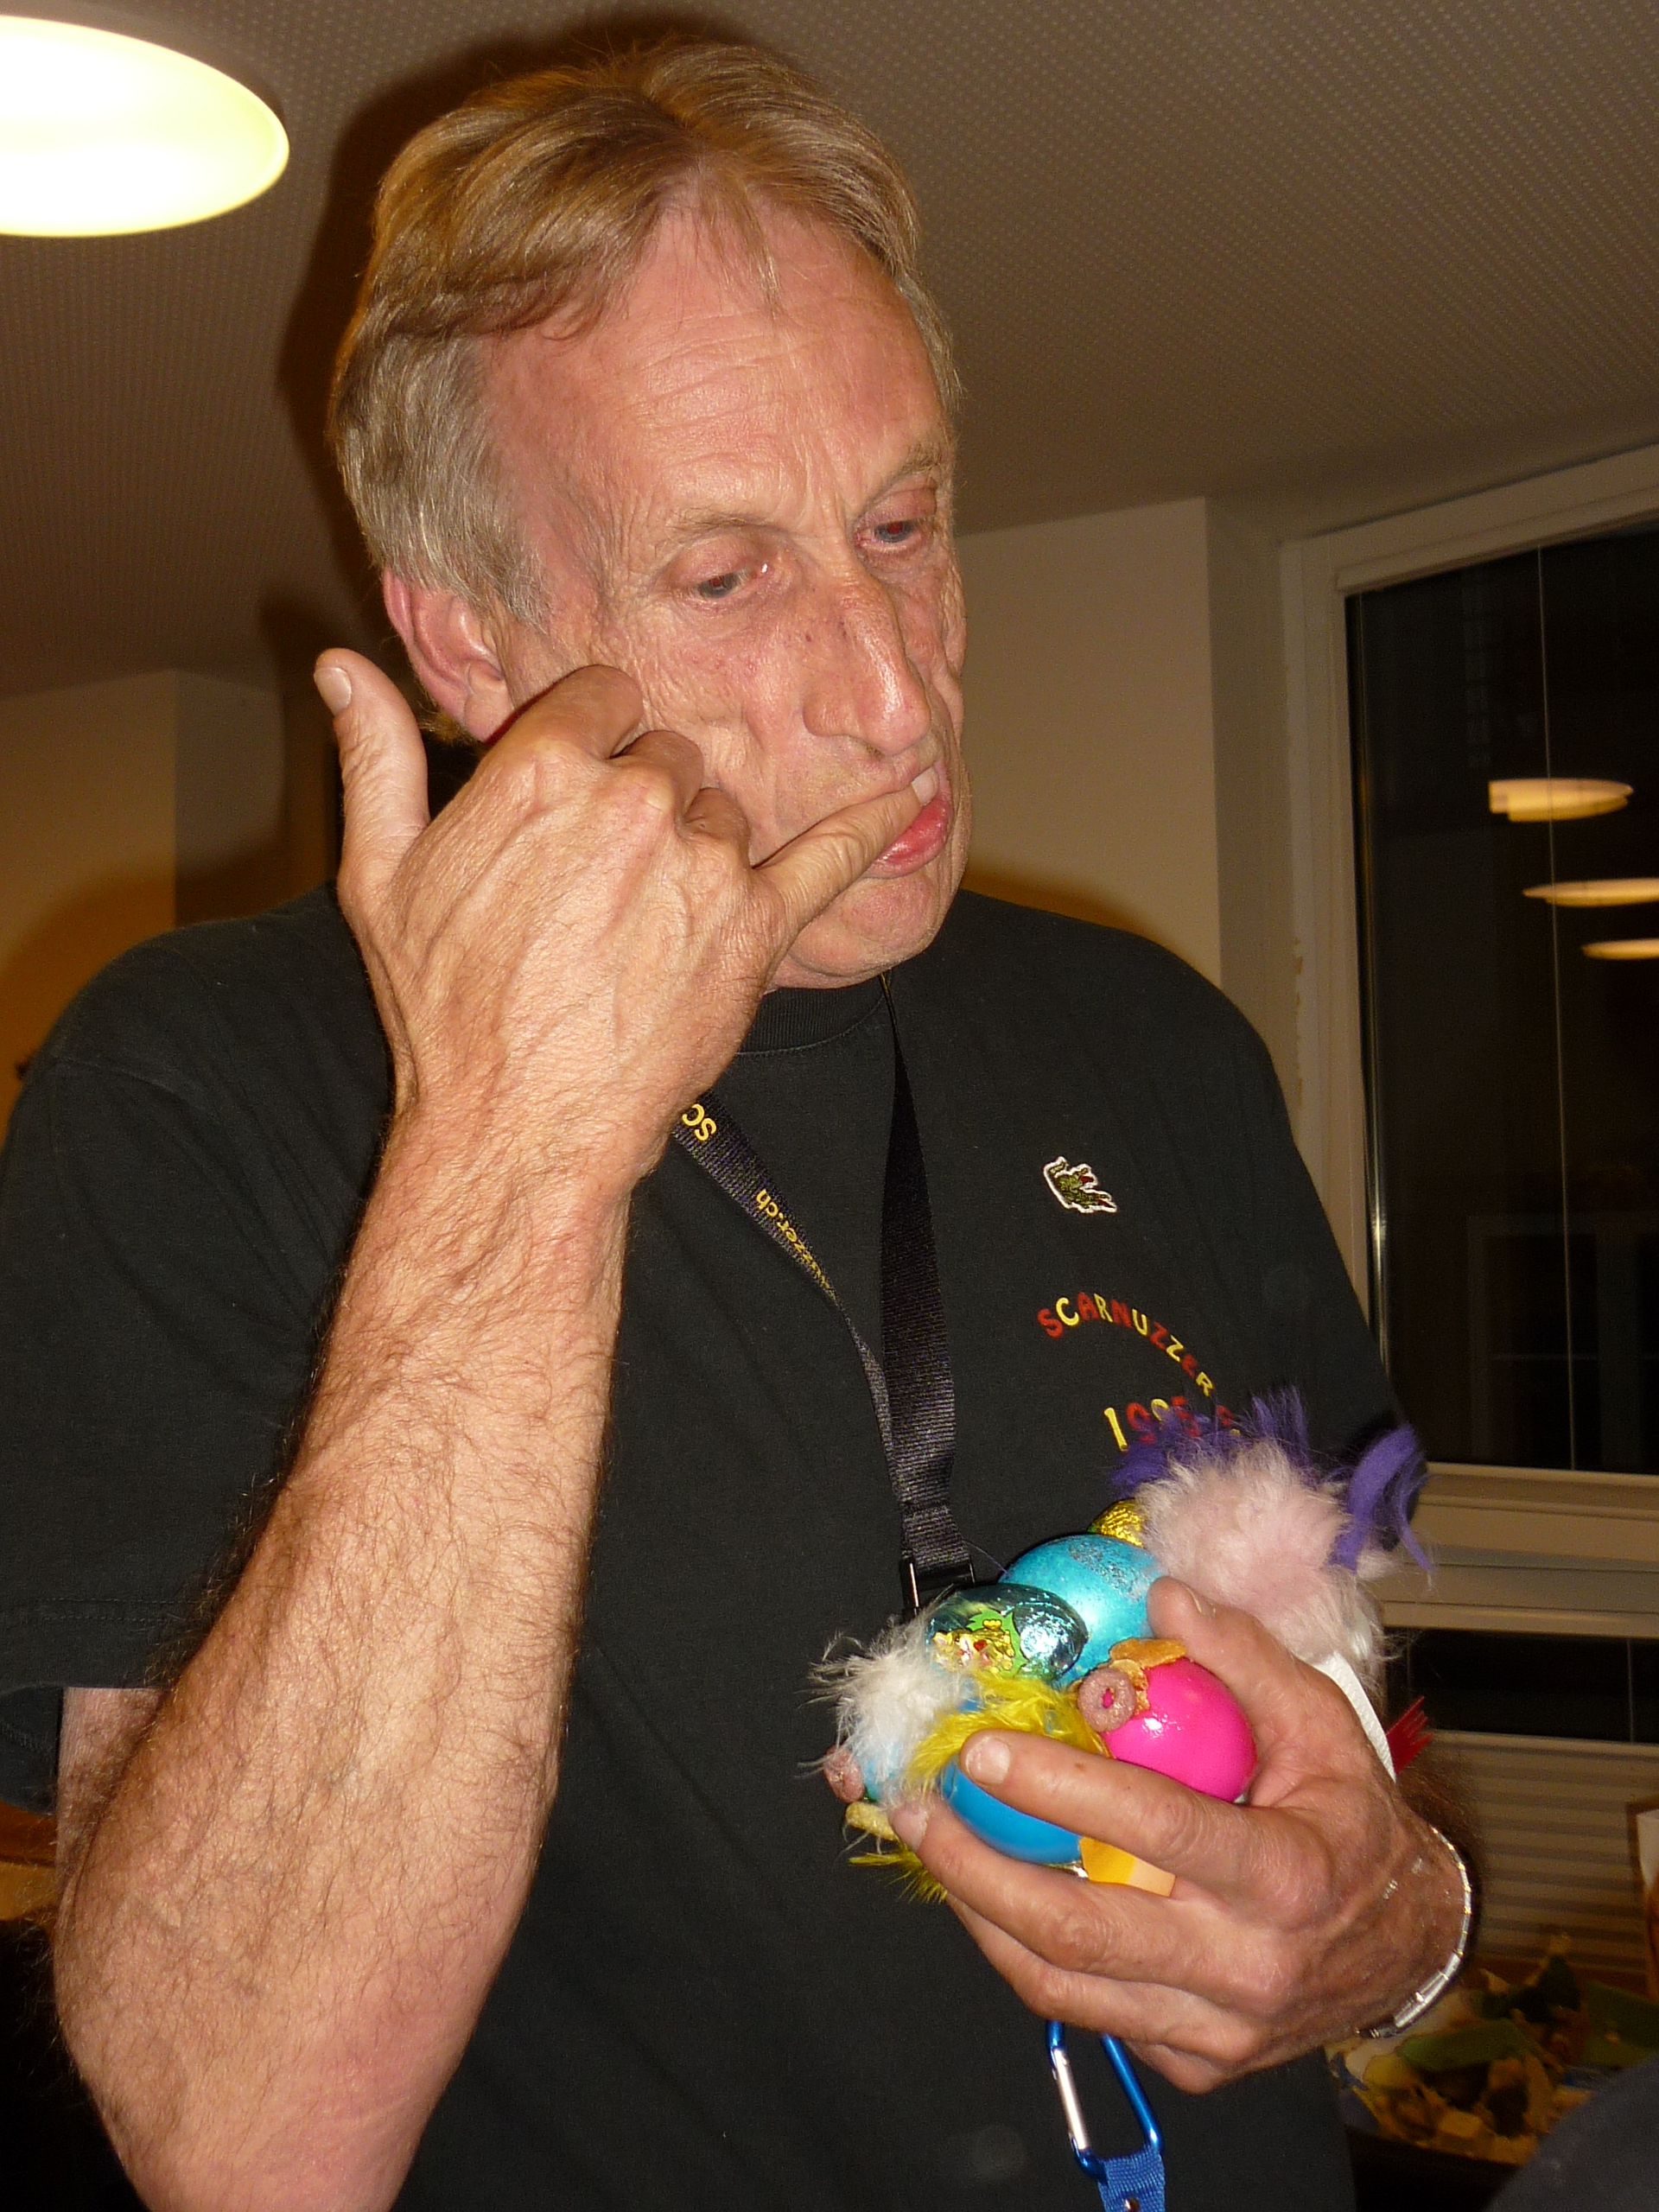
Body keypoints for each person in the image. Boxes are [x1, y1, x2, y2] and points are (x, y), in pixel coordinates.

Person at [0, 35, 1465, 2212]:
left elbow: (1384, 1760)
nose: (896, 690)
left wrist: (1403, 1924)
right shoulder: (196, 1086)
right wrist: (511, 1147)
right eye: (728, 575)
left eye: (901, 524)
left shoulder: (1161, 1042)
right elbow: (243, 2133)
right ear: (466, 641)